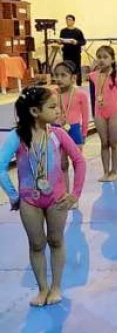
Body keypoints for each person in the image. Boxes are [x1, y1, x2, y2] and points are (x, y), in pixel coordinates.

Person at [0, 86, 86, 306]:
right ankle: (42, 288)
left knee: (56, 240)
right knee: (36, 244)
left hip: (56, 198)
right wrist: (13, 195)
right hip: (29, 200)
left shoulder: (57, 134)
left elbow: (79, 160)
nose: (58, 111)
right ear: (35, 112)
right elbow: (1, 167)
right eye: (52, 107)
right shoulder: (17, 137)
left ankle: (56, 287)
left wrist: (75, 194)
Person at [88, 46, 117, 182]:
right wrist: (94, 114)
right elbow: (93, 96)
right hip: (99, 113)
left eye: (105, 57)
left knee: (114, 142)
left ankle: (114, 171)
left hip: (115, 113)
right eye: (99, 57)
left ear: (112, 59)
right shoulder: (93, 76)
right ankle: (106, 172)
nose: (101, 60)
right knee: (104, 143)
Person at [52, 62, 90, 151]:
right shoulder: (52, 94)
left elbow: (85, 116)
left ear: (73, 78)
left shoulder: (81, 95)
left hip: (74, 128)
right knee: (61, 160)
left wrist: (84, 133)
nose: (59, 79)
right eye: (56, 75)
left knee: (78, 157)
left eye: (63, 75)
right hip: (56, 127)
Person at [57, 15, 87, 85]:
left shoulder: (78, 31)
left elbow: (83, 41)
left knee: (77, 69)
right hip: (66, 53)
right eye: (67, 20)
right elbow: (61, 40)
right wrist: (60, 42)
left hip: (75, 53)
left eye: (70, 20)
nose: (68, 21)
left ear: (73, 21)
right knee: (66, 68)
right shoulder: (63, 31)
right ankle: (67, 83)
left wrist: (76, 42)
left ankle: (79, 84)